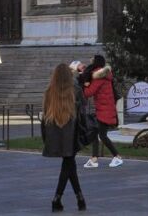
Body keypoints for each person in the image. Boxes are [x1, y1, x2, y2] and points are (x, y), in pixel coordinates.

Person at [42, 64, 86, 212]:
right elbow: (82, 114)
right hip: (71, 133)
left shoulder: (49, 92)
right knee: (68, 163)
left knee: (69, 164)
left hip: (55, 132)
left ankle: (80, 198)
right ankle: (57, 197)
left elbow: (45, 116)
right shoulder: (76, 91)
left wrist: (45, 137)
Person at [82, 54, 123, 168]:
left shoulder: (99, 76)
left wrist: (85, 85)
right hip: (105, 109)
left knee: (102, 135)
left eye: (92, 61)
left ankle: (117, 156)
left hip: (104, 110)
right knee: (96, 132)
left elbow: (88, 93)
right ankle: (94, 159)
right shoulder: (104, 75)